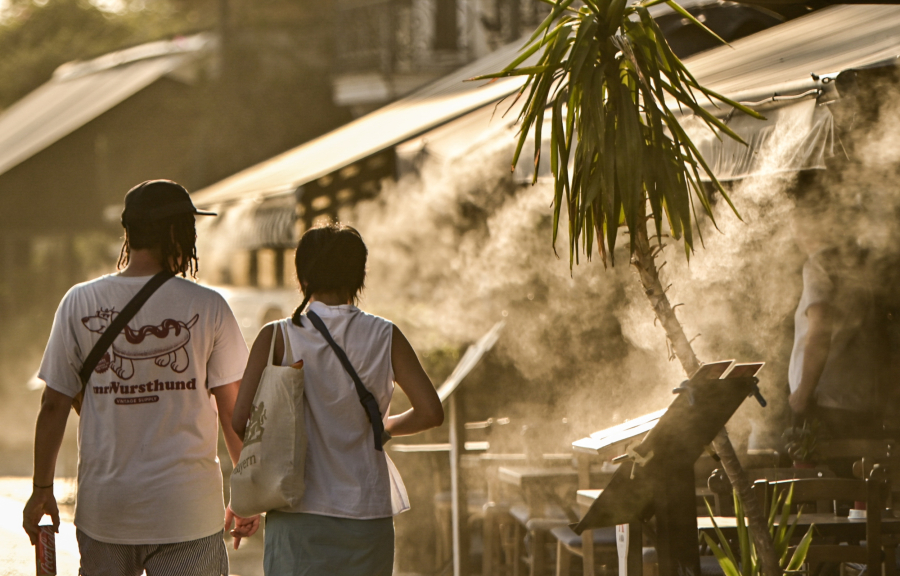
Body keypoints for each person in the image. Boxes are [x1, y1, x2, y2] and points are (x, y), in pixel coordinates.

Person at [22, 180, 259, 575]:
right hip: (188, 515)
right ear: (175, 232)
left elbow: (53, 404)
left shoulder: (80, 302)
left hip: (107, 514)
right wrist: (247, 491)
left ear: (129, 233)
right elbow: (232, 408)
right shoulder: (209, 306)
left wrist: (41, 489)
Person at [233, 223, 444, 576]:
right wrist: (384, 427)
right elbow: (430, 412)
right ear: (358, 277)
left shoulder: (277, 337)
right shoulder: (385, 335)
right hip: (367, 514)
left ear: (303, 277)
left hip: (297, 513)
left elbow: (240, 420)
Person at [788, 207, 883, 453]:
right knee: (856, 475)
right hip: (857, 403)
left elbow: (820, 330)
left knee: (819, 475)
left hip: (824, 403)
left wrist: (803, 394)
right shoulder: (855, 268)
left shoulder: (818, 265)